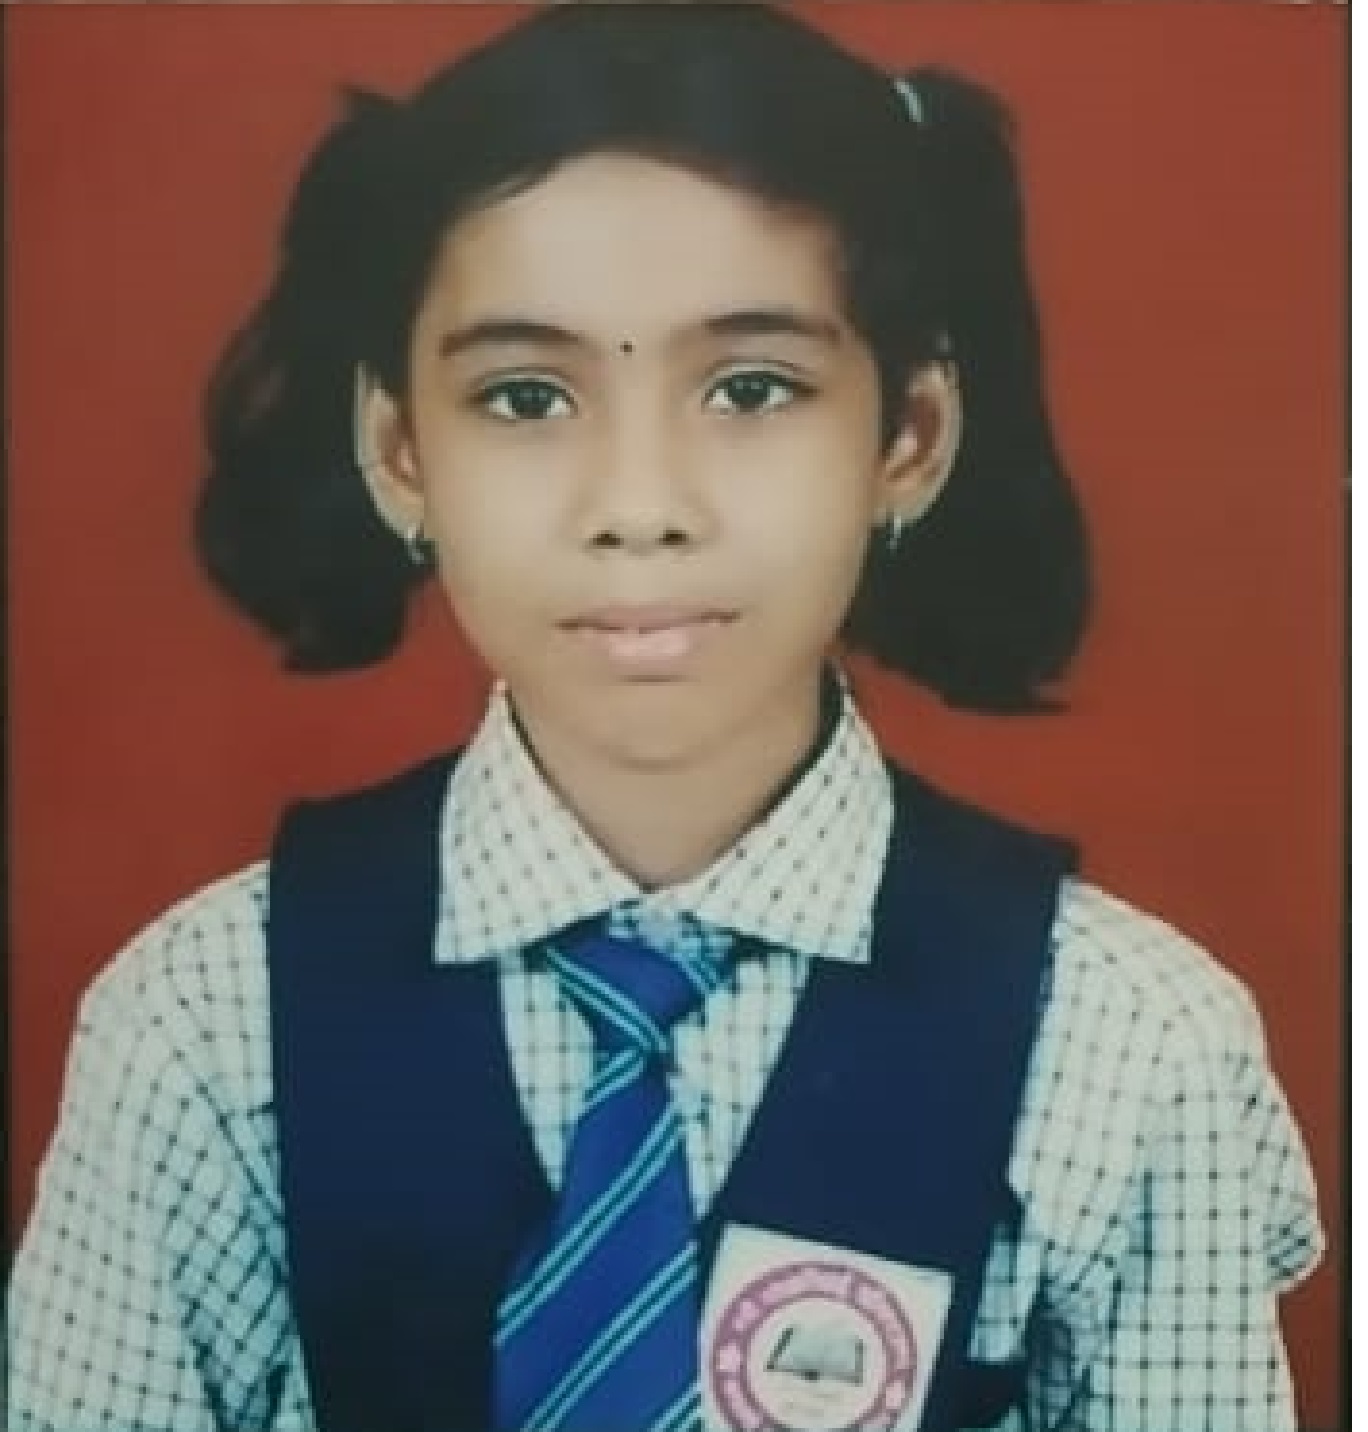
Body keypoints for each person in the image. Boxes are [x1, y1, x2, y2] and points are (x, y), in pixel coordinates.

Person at [7, 5, 1324, 1431]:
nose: (639, 507)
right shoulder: (205, 1028)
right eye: (526, 396)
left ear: (911, 437)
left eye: (752, 388)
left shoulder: (1128, 1047)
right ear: (398, 451)